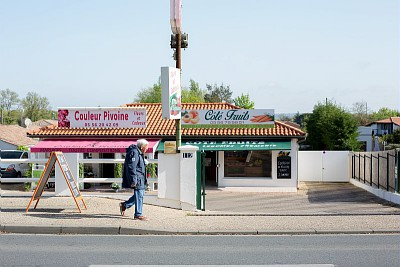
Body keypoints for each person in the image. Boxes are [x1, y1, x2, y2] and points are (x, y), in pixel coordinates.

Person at [120, 139, 149, 220]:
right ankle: (138, 214)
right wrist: (133, 180)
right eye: (146, 147)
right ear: (142, 147)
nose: (147, 149)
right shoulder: (135, 153)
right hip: (138, 178)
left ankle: (125, 205)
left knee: (140, 194)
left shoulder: (138, 153)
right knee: (139, 195)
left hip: (141, 178)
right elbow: (131, 167)